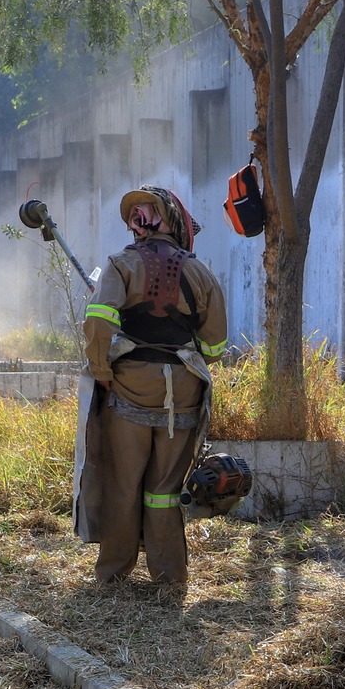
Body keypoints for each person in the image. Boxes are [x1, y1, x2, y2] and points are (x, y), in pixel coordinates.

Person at [75, 186, 229, 599]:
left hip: (128, 391)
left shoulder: (120, 264)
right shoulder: (202, 273)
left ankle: (114, 575)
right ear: (177, 224)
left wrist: (103, 370)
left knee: (123, 484)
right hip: (183, 395)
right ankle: (169, 578)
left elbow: (96, 323)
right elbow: (215, 346)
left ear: (138, 224)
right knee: (163, 490)